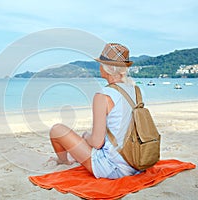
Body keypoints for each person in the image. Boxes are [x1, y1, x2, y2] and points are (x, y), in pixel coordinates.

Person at [49, 43, 141, 179]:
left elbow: (97, 143)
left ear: (108, 68)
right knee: (88, 136)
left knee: (57, 130)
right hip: (135, 162)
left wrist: (86, 137)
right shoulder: (135, 90)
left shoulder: (103, 95)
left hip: (113, 168)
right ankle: (70, 156)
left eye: (101, 64)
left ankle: (64, 161)